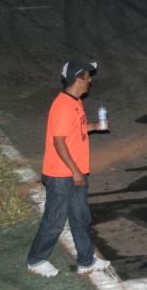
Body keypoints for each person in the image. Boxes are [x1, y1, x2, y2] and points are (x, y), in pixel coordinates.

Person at [26, 60, 111, 277]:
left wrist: (94, 126)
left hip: (75, 172)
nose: (90, 79)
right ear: (78, 79)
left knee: (80, 217)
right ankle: (36, 260)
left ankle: (86, 260)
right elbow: (59, 142)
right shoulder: (62, 106)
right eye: (87, 76)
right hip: (62, 173)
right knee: (55, 219)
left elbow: (75, 131)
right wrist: (75, 171)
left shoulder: (75, 102)